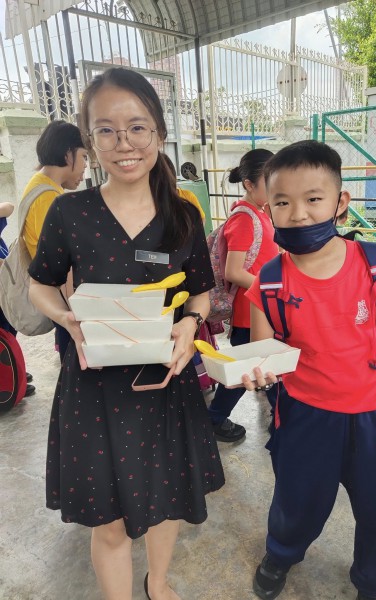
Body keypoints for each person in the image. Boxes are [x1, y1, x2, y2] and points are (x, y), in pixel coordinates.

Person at [28, 66, 224, 600]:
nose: (124, 143)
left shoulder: (183, 214)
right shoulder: (70, 211)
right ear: (89, 141)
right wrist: (66, 317)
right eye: (106, 130)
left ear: (157, 131)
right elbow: (39, 284)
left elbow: (201, 293)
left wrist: (190, 323)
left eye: (137, 127)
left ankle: (156, 582)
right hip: (94, 388)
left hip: (166, 383)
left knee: (168, 499)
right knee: (108, 521)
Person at [243, 140, 376, 600]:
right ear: (268, 208)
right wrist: (255, 371)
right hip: (306, 416)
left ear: (340, 202)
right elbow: (261, 353)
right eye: (283, 202)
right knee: (297, 500)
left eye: (313, 198)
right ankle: (281, 553)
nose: (299, 214)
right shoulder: (269, 280)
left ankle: (373, 581)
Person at [207, 148, 278, 442]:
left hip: (262, 309)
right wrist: (272, 288)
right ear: (249, 184)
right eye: (269, 181)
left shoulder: (261, 213)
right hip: (250, 312)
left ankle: (280, 422)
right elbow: (233, 271)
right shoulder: (244, 219)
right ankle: (213, 420)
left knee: (264, 369)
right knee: (245, 372)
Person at [22, 119, 88, 362]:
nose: (85, 167)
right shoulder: (48, 198)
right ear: (68, 154)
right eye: (83, 157)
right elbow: (59, 263)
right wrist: (76, 311)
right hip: (63, 302)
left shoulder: (42, 186)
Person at [0, 201, 35, 396]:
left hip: (4, 291)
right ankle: (8, 382)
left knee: (8, 333)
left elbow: (8, 207)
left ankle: (13, 371)